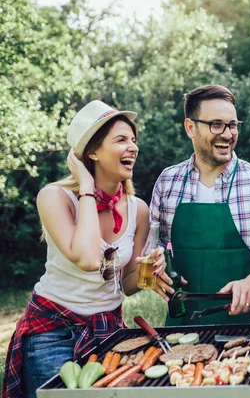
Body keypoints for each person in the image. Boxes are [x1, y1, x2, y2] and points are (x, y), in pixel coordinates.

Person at [2, 101, 169, 398]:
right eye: (121, 140)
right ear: (92, 152)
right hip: (52, 332)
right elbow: (89, 259)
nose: (133, 147)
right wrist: (87, 187)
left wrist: (149, 272)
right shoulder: (55, 197)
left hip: (108, 328)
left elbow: (129, 285)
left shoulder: (138, 209)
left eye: (134, 140)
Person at [149, 84, 250, 326]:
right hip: (183, 326)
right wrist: (156, 268)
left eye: (232, 125)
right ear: (190, 127)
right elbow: (154, 245)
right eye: (216, 124)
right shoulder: (167, 181)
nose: (227, 134)